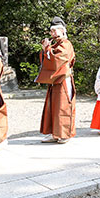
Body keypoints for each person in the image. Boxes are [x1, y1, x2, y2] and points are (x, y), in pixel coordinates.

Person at [36, 16, 76, 144]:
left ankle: (65, 134)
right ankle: (54, 133)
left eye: (55, 31)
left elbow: (57, 60)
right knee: (52, 107)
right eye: (51, 31)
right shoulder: (56, 44)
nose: (53, 33)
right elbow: (48, 57)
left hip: (63, 79)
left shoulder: (66, 44)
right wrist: (46, 49)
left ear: (62, 31)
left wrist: (47, 49)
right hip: (55, 80)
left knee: (63, 107)